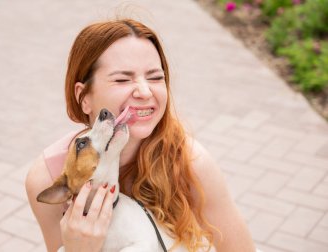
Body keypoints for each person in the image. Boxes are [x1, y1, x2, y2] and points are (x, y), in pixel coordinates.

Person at [25, 18, 257, 252]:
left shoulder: (190, 161)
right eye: (122, 79)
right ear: (84, 97)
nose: (145, 92)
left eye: (156, 77)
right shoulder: (49, 178)